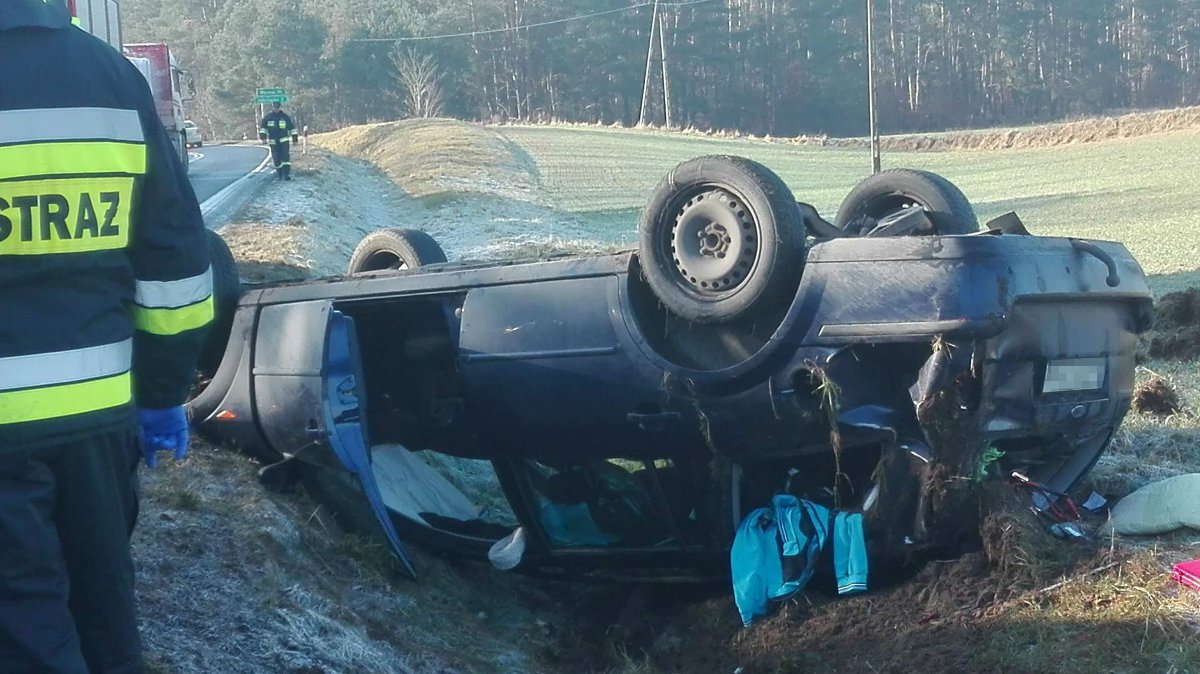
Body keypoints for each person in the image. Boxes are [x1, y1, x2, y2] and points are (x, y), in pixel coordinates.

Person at [0, 1, 213, 672]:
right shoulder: (112, 77)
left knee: (24, 622)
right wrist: (162, 391)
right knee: (104, 607)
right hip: (99, 416)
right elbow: (176, 260)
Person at [259, 101, 299, 180]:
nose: (276, 109)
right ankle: (279, 174)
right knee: (276, 158)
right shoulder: (268, 118)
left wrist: (295, 139)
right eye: (275, 107)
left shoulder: (285, 117)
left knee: (285, 157)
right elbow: (263, 129)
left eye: (277, 107)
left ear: (279, 107)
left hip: (284, 141)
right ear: (272, 107)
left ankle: (286, 174)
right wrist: (263, 138)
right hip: (273, 142)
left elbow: (292, 128)